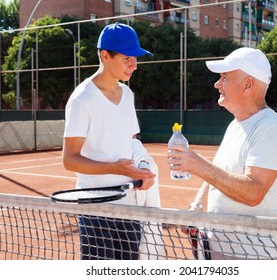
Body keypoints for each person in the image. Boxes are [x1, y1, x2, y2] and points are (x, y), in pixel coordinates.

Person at [168, 47, 277, 260]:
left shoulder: (272, 128)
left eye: (224, 78)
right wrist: (197, 206)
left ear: (248, 85)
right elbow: (217, 175)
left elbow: (253, 192)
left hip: (252, 257)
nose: (217, 84)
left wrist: (198, 165)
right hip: (218, 250)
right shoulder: (235, 125)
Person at [63, 22, 161, 260]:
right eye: (127, 58)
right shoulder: (82, 100)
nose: (134, 65)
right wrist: (113, 168)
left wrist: (144, 167)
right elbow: (70, 160)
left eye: (135, 58)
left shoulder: (127, 95)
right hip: (95, 209)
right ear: (105, 56)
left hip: (129, 205)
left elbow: (132, 142)